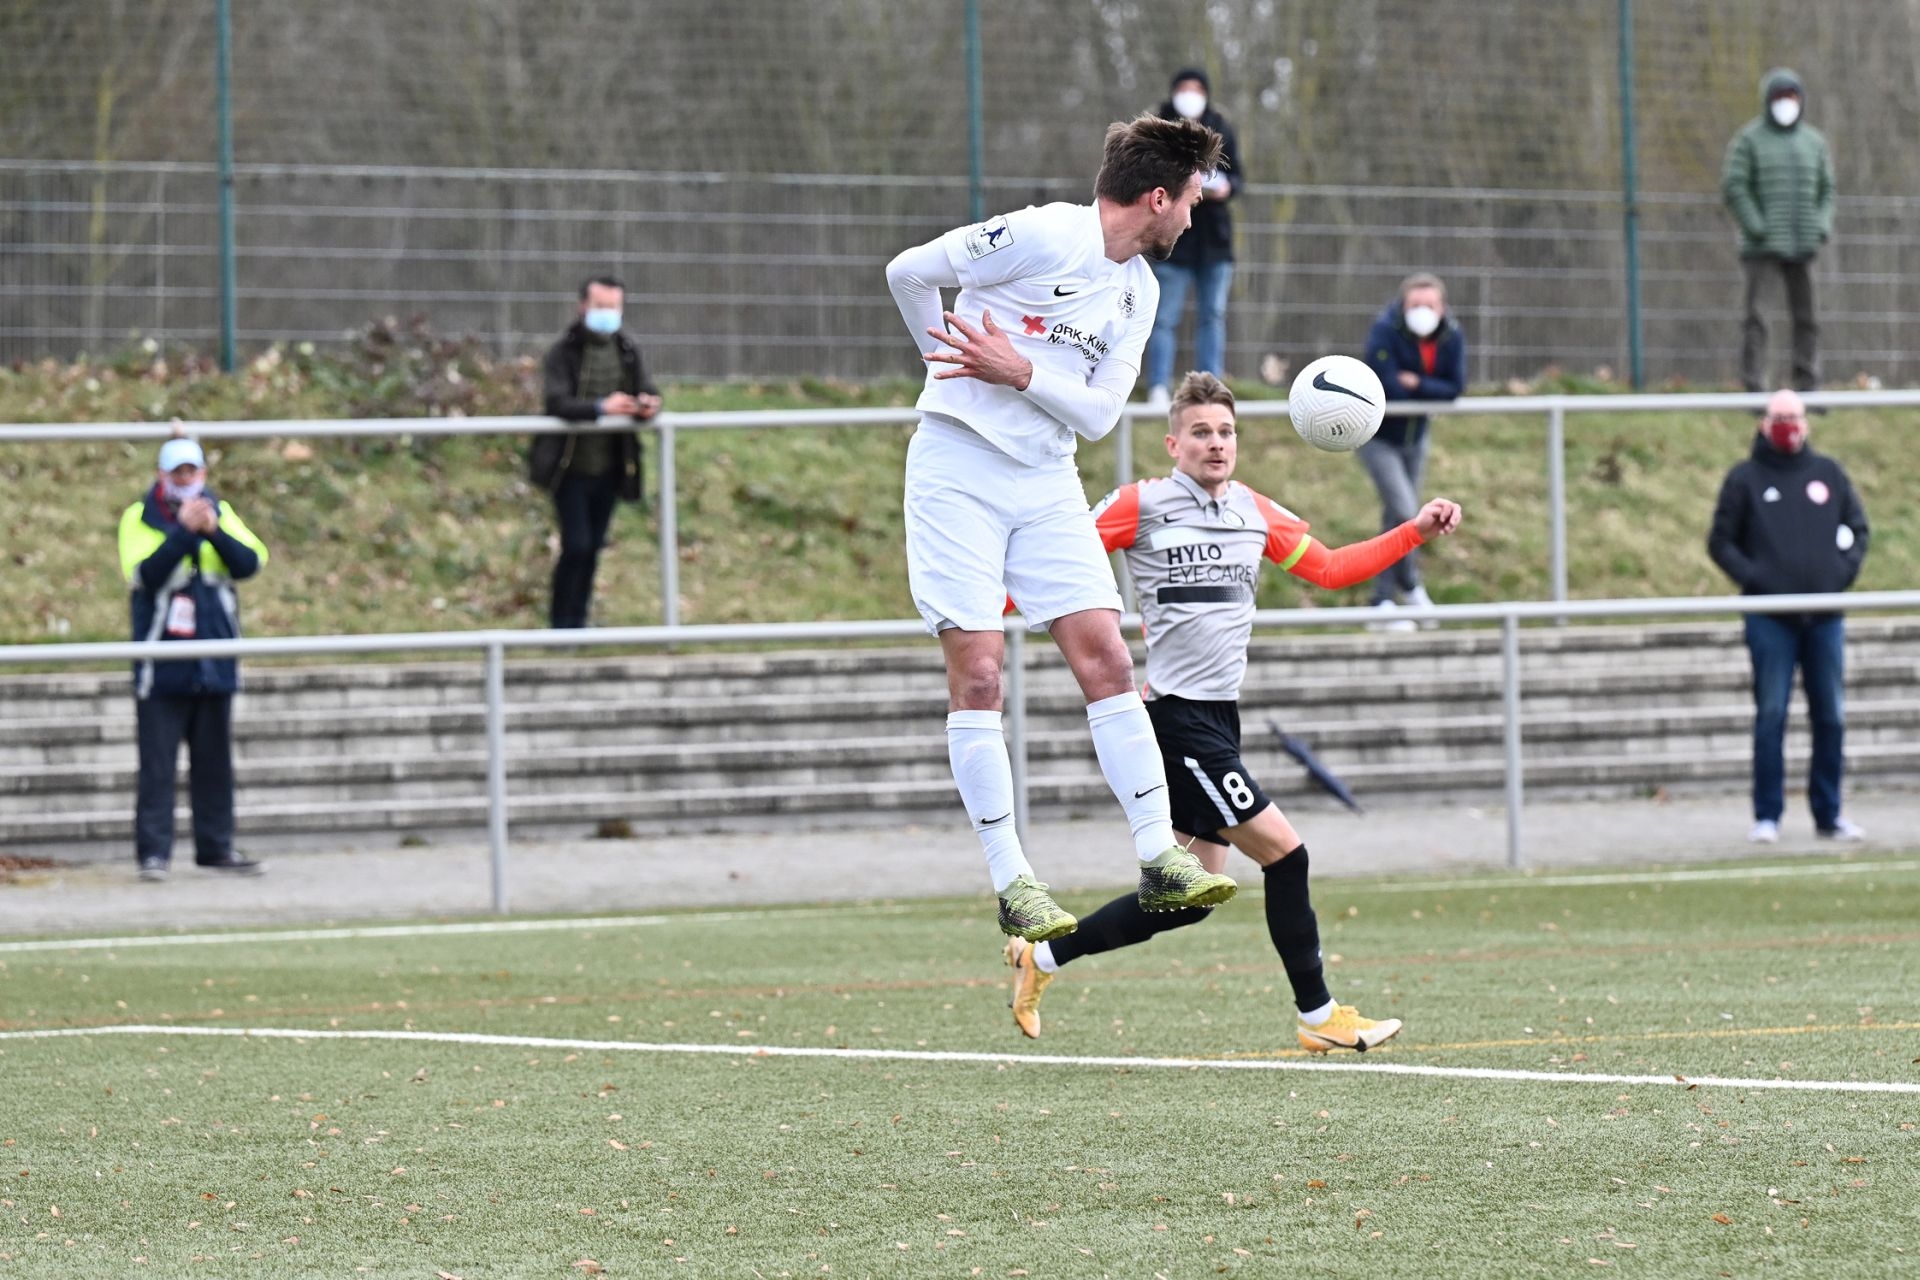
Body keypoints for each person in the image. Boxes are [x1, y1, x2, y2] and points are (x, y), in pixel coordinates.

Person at [1002, 372, 1462, 1050]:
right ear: (1173, 444)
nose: (1216, 443)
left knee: (1184, 901)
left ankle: (1040, 956)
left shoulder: (1254, 510)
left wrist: (1414, 531)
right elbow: (1056, 560)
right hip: (1177, 719)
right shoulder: (1140, 504)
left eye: (1226, 431)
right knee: (1287, 856)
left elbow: (1330, 568)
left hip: (1220, 719)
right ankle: (1318, 1017)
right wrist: (984, 610)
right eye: (1201, 432)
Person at [884, 113, 1240, 943]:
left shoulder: (1141, 290)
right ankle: (1013, 880)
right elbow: (907, 271)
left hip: (1046, 479)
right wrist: (944, 358)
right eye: (1193, 199)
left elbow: (1098, 414)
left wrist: (1019, 371)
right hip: (957, 467)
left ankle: (1159, 856)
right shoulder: (1044, 233)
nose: (1194, 217)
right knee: (979, 676)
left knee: (1109, 658)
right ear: (1159, 198)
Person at [1707, 389, 1869, 844]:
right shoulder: (1745, 478)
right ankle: (1767, 815)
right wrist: (1757, 578)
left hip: (1824, 617)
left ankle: (1829, 814)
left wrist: (1839, 574)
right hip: (1770, 618)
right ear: (1764, 423)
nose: (1788, 425)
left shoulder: (1828, 473)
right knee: (1772, 714)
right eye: (1779, 417)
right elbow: (1721, 542)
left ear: (1806, 422)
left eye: (1794, 417)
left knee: (1831, 716)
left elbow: (1858, 529)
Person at [118, 437, 271, 881]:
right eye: (177, 472)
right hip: (161, 664)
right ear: (162, 475)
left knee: (214, 764)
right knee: (157, 766)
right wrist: (185, 532)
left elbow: (250, 562)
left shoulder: (219, 511)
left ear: (203, 473)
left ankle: (217, 848)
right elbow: (145, 574)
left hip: (214, 659)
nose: (185, 479)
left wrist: (213, 532)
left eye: (192, 471)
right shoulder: (138, 516)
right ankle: (154, 854)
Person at [531, 276, 662, 628]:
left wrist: (648, 404)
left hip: (611, 469)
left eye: (613, 307)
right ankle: (562, 626)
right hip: (569, 468)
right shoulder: (563, 352)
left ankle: (580, 622)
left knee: (592, 549)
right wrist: (601, 408)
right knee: (576, 545)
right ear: (583, 306)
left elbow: (647, 388)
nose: (607, 314)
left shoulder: (628, 350)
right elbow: (557, 402)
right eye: (600, 306)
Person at [1359, 272, 1466, 630]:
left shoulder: (1451, 335)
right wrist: (1424, 389)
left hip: (1415, 437)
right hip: (1378, 437)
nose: (1422, 311)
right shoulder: (1385, 331)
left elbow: (1454, 387)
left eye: (1429, 305)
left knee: (1397, 517)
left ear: (1442, 307)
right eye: (1415, 305)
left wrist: (1417, 381)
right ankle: (1410, 587)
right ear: (1403, 306)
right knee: (1406, 513)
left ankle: (1383, 601)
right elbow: (1386, 384)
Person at [1721, 68, 1834, 394]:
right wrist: (1757, 226)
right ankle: (1755, 387)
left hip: (1804, 245)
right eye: (1781, 97)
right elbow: (1734, 186)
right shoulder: (1749, 140)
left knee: (1808, 319)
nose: (1787, 103)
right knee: (1757, 319)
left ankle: (1808, 385)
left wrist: (1821, 224)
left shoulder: (1814, 143)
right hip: (1762, 248)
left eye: (1792, 97)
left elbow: (1827, 189)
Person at [1143, 68, 1243, 404]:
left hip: (1214, 243)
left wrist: (1226, 189)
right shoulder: (1159, 126)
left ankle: (1209, 387)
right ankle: (1158, 385)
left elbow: (1238, 176)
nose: (1190, 94)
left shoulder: (1221, 126)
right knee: (1164, 317)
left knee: (1212, 316)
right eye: (1184, 87)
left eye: (1196, 88)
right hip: (1172, 241)